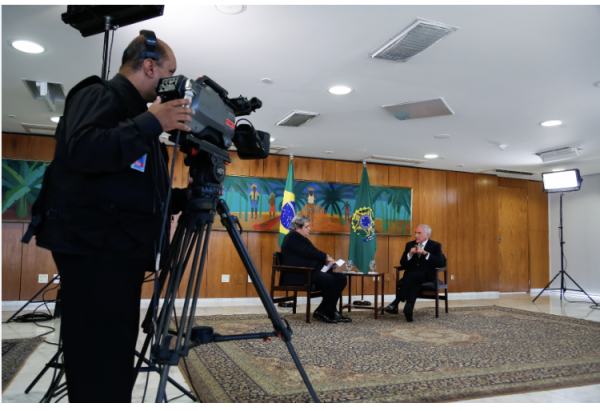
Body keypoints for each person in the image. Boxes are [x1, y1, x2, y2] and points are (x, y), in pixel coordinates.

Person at [27, 33, 194, 402]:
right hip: (93, 252)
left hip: (118, 253)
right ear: (149, 66)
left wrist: (185, 196)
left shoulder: (140, 119)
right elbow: (84, 150)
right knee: (97, 357)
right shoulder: (99, 94)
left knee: (113, 353)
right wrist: (153, 122)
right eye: (170, 72)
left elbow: (139, 192)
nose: (172, 82)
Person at [280, 214, 351, 323]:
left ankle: (323, 310)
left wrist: (327, 262)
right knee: (328, 279)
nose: (310, 228)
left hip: (309, 273)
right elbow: (308, 252)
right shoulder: (292, 236)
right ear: (298, 228)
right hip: (297, 274)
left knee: (341, 278)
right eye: (307, 226)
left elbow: (314, 252)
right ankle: (329, 311)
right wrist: (326, 257)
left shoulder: (302, 238)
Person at [383, 224, 444, 322]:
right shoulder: (410, 245)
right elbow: (402, 262)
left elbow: (440, 263)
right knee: (414, 282)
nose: (416, 235)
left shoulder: (435, 245)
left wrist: (426, 254)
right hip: (412, 276)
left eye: (419, 233)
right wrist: (410, 254)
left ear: (427, 235)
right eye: (416, 233)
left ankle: (396, 302)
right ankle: (408, 310)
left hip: (426, 275)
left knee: (412, 276)